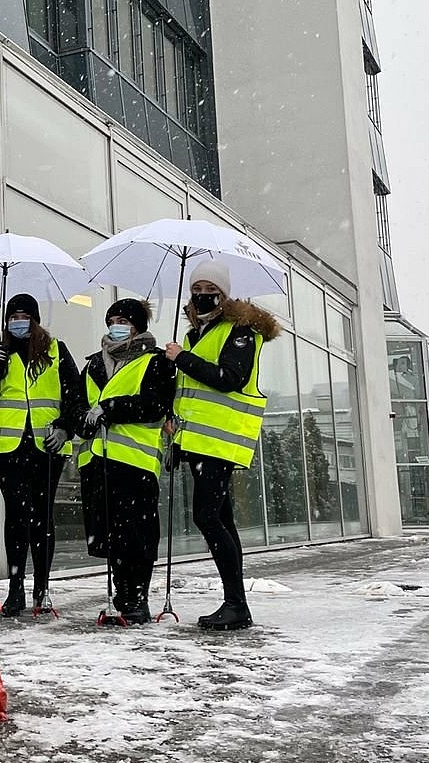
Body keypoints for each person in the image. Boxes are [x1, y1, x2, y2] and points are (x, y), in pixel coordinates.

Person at [166, 260, 280, 631]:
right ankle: (236, 604)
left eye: (208, 290)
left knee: (207, 516)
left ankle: (236, 604)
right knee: (222, 519)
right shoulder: (194, 335)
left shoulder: (240, 331)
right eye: (195, 290)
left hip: (221, 440)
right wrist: (172, 415)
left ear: (224, 294)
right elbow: (190, 390)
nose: (201, 296)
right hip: (196, 440)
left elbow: (230, 378)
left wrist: (181, 358)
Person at [0, 293, 86, 618]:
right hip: (8, 447)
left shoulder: (55, 350)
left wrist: (65, 426)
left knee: (42, 516)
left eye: (24, 315)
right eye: (13, 316)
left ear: (34, 319)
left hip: (46, 444)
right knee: (17, 516)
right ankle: (15, 587)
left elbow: (75, 394)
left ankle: (42, 588)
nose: (18, 321)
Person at [78, 299, 176, 625]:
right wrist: (83, 420)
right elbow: (78, 405)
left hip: (135, 462)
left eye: (123, 320)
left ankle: (137, 598)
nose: (115, 326)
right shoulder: (93, 365)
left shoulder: (157, 361)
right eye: (112, 320)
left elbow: (154, 403)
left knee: (137, 535)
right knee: (110, 536)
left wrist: (111, 408)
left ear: (137, 326)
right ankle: (121, 597)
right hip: (98, 461)